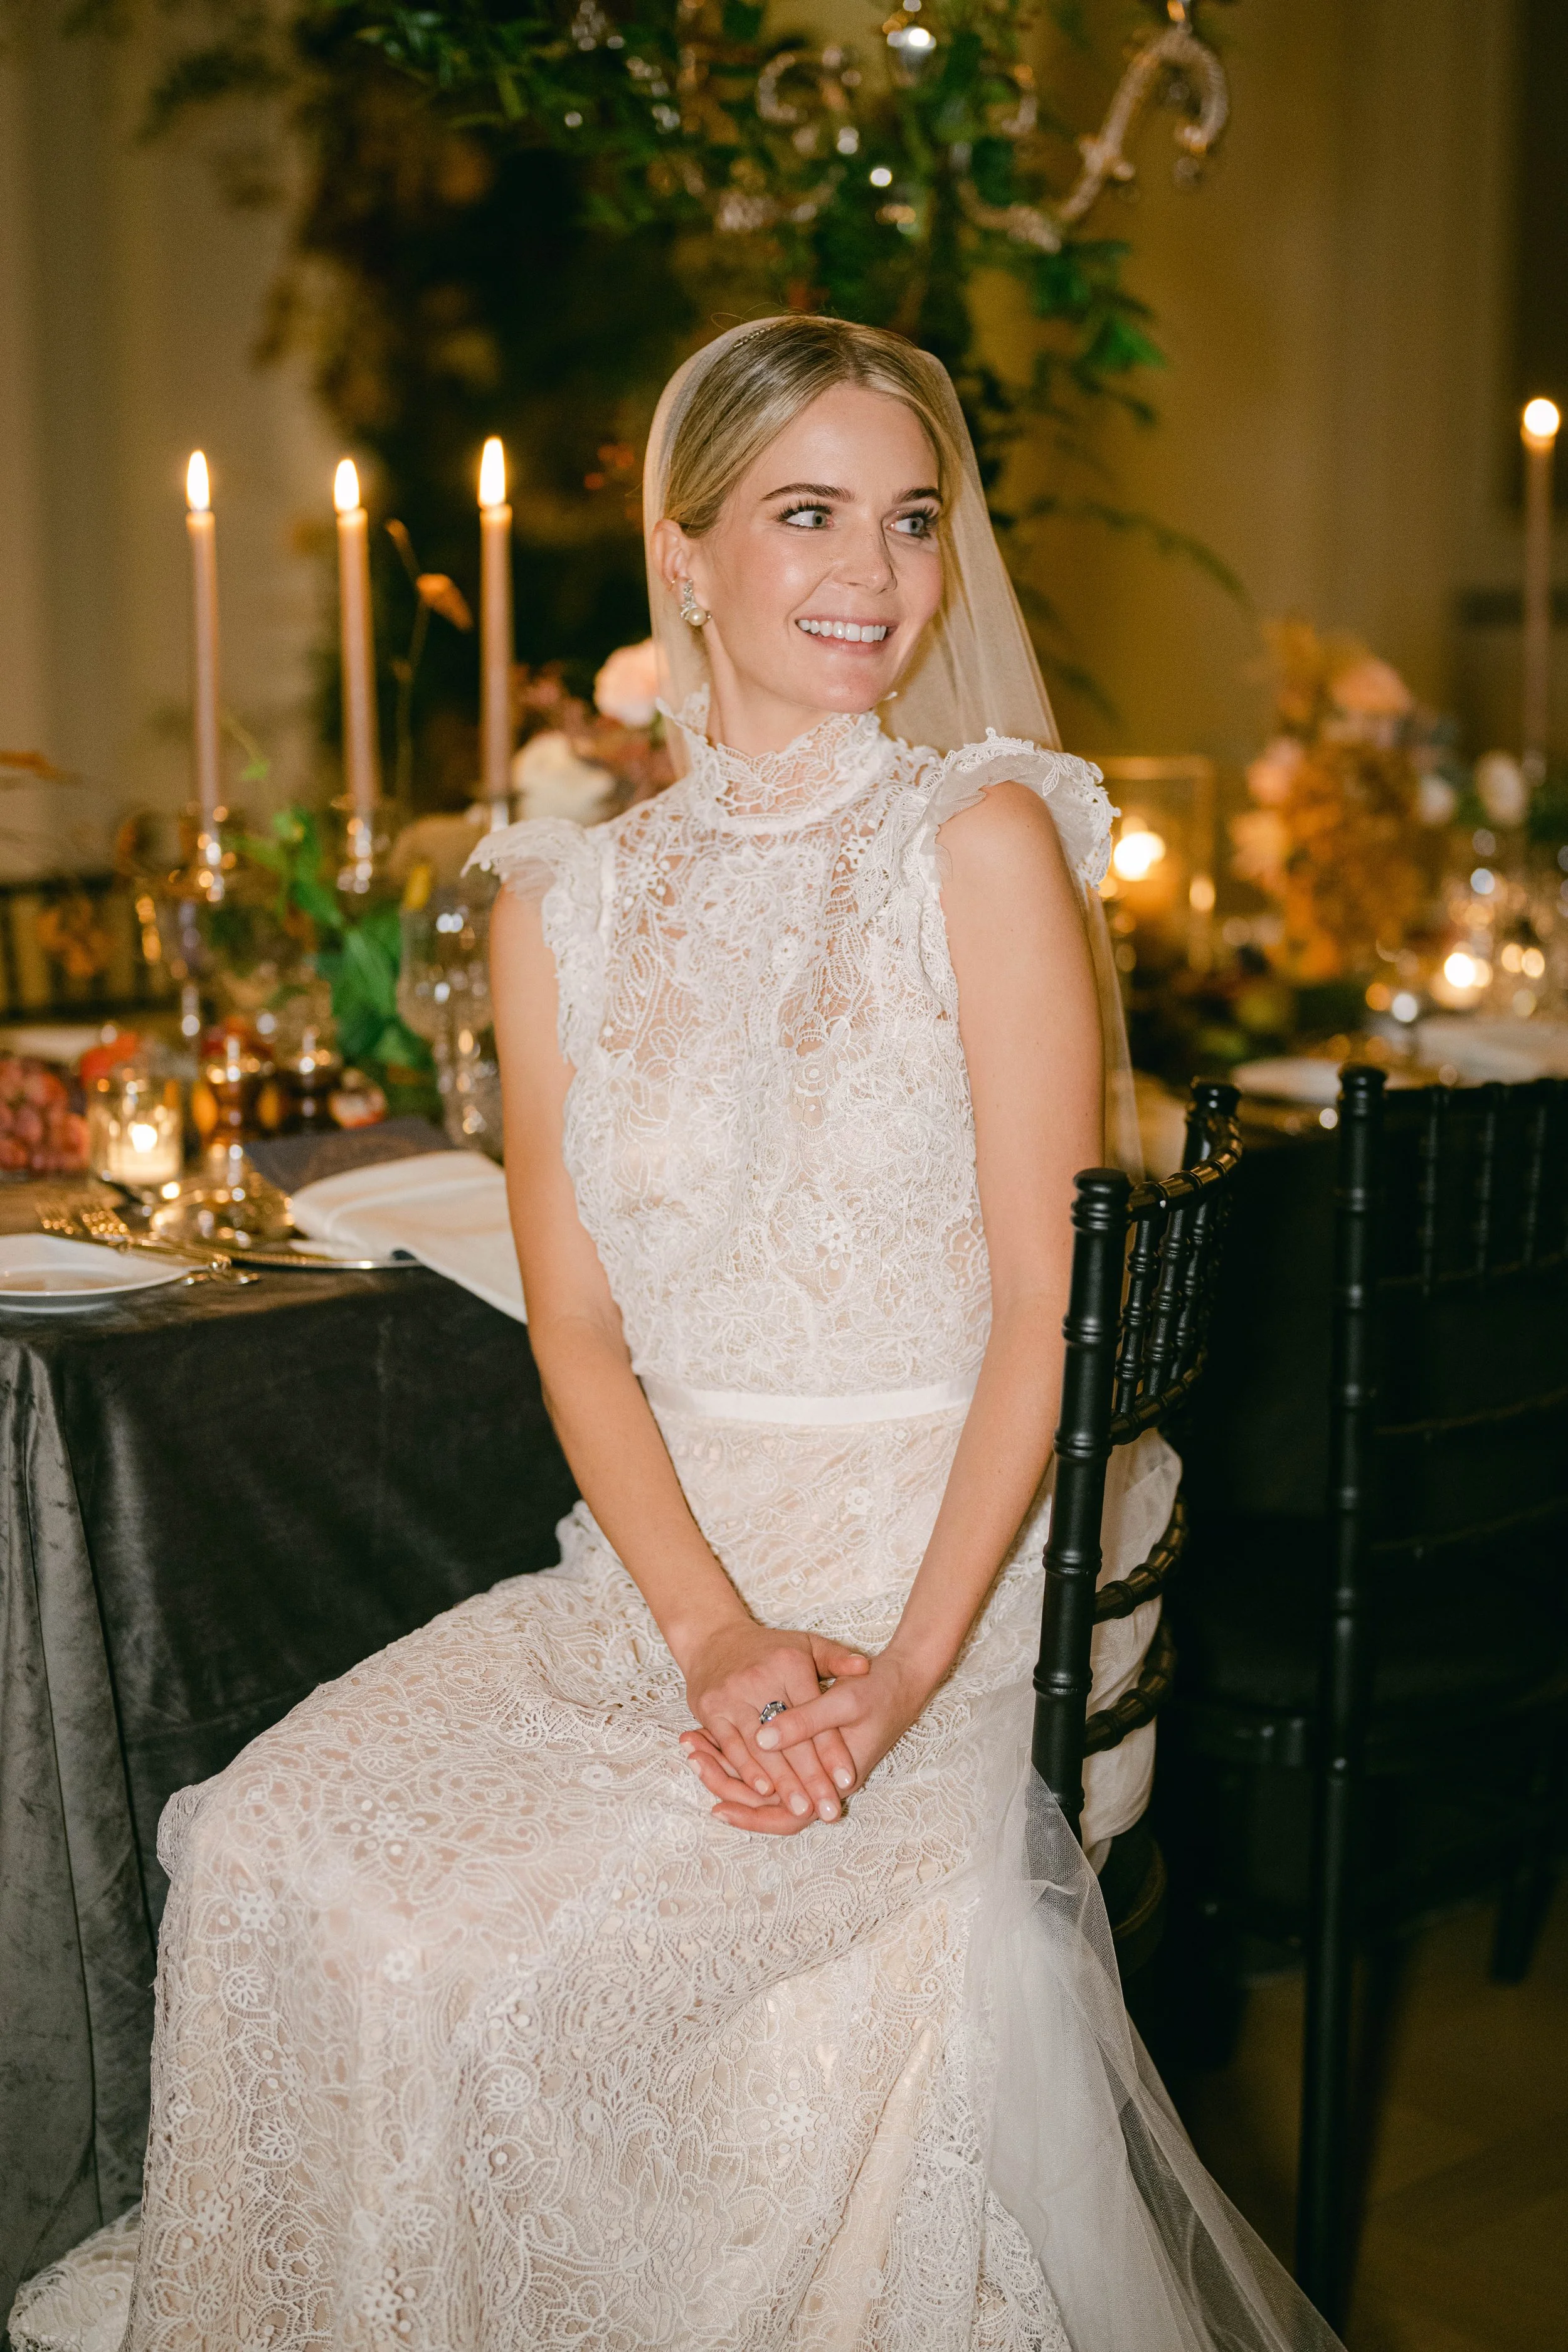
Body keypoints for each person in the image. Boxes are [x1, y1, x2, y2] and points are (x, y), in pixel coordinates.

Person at [13, 317, 1338, 2352]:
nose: (873, 575)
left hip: (941, 1560)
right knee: (281, 1853)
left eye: (909, 519)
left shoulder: (976, 841)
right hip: (661, 1572)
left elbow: (1048, 1317)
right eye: (808, 514)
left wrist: (896, 1673)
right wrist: (711, 1630)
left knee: (627, 1965)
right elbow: (575, 1334)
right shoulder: (562, 899)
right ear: (683, 548)